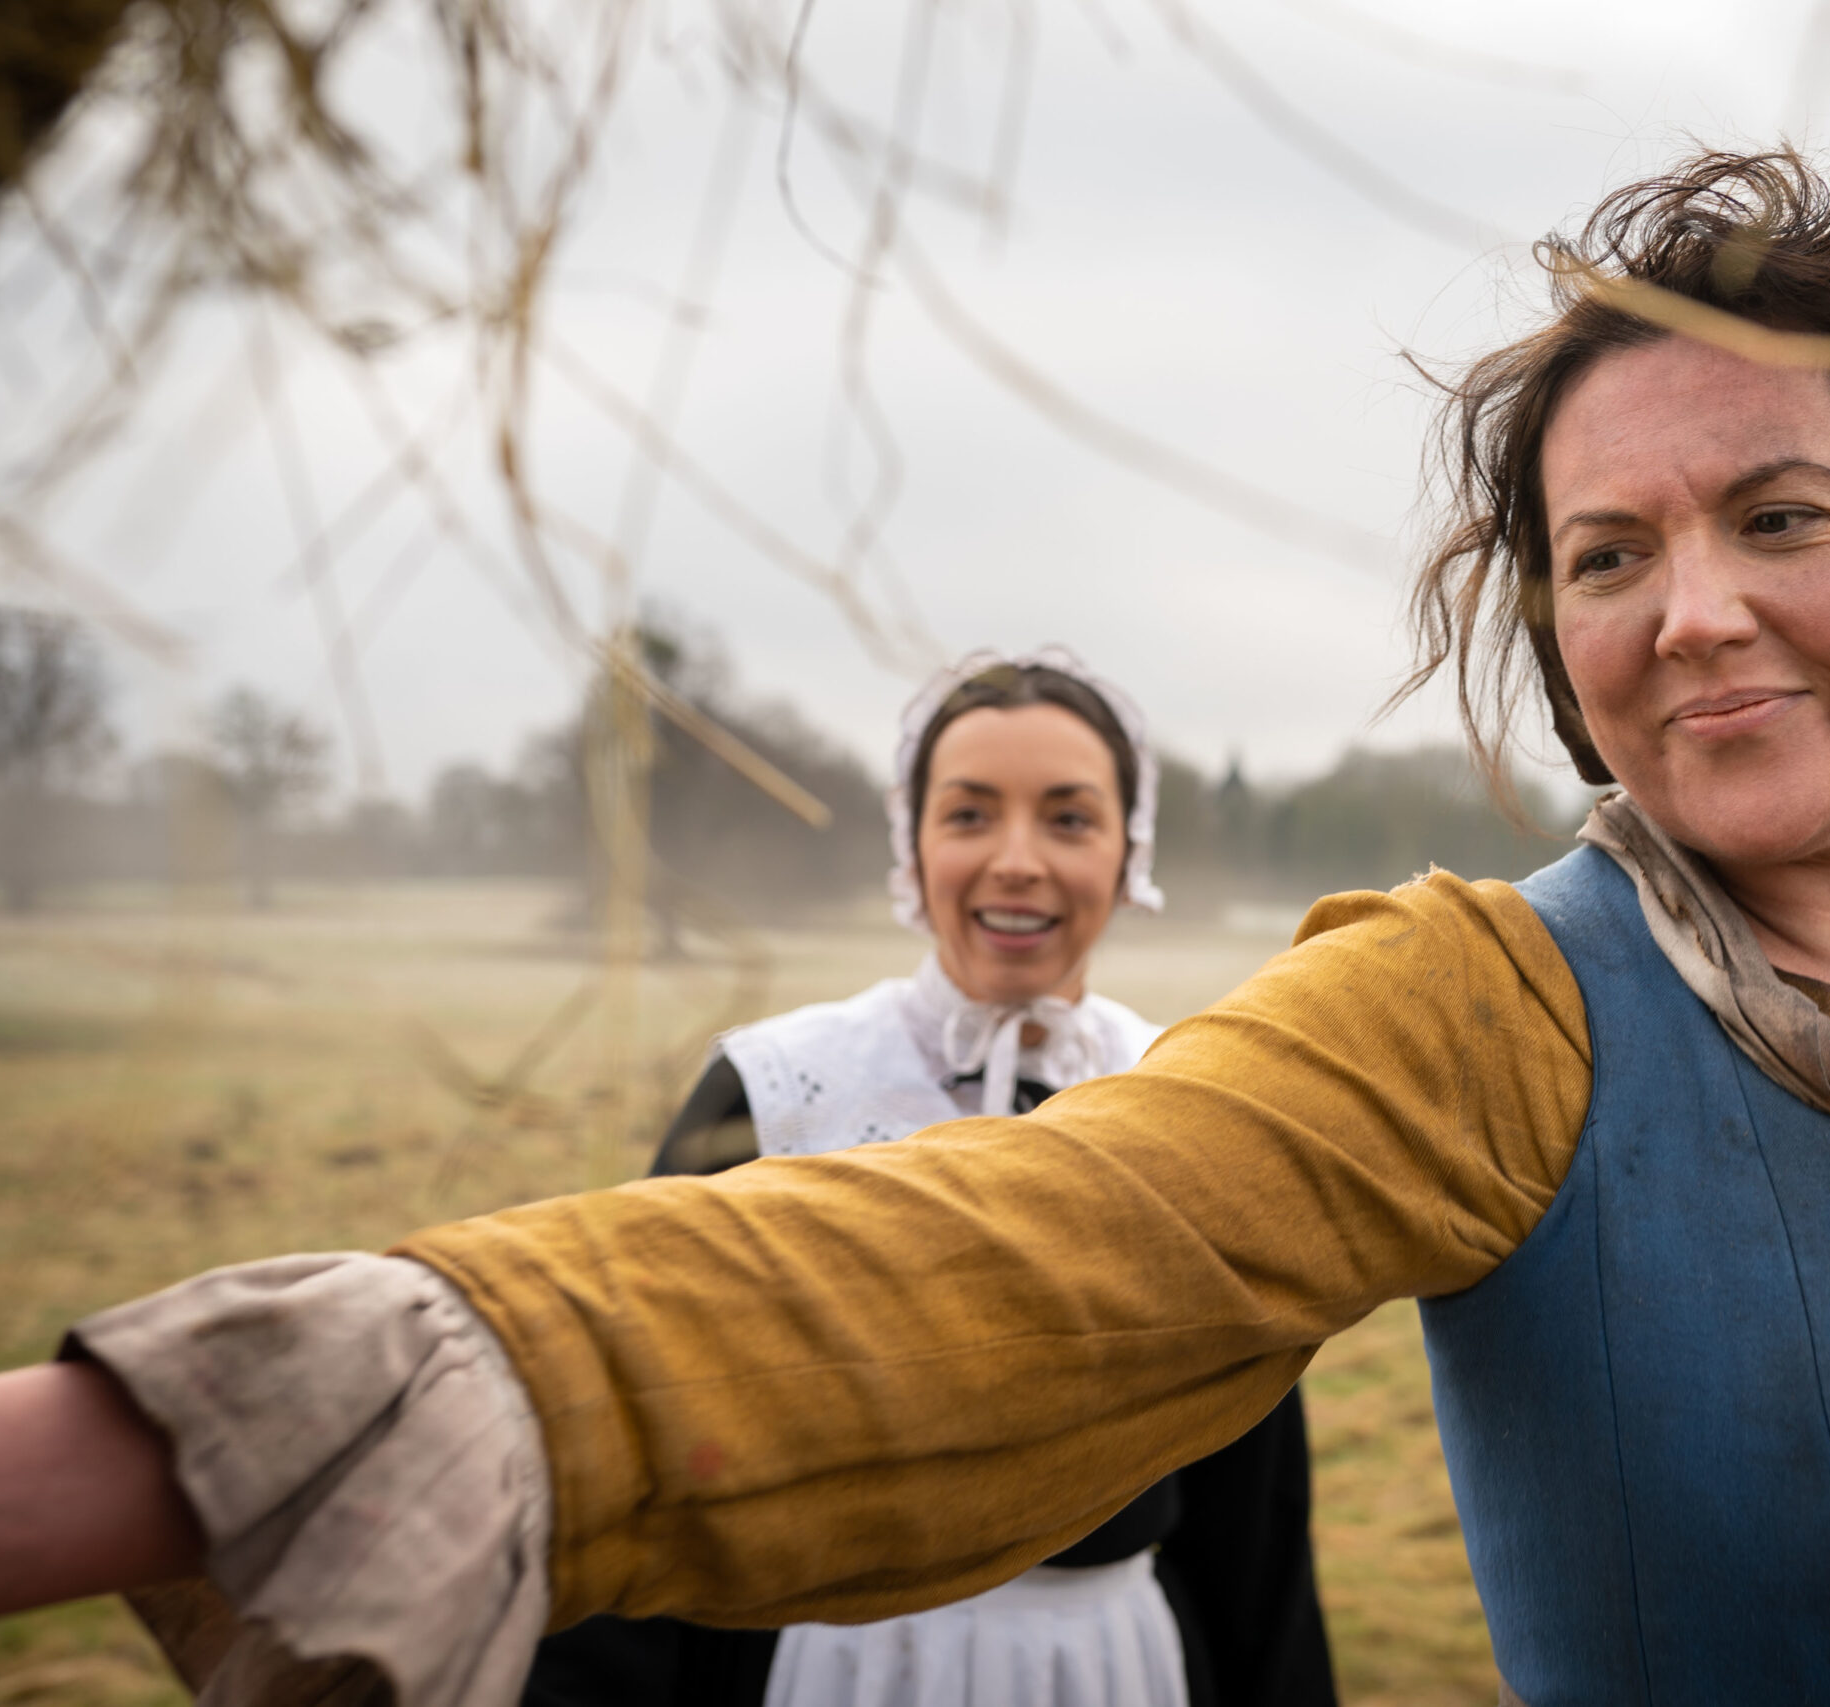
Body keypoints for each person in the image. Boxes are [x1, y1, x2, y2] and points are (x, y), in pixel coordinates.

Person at [0, 122, 1830, 1707]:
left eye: (1774, 513)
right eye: (1599, 556)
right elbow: (982, 1269)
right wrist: (195, 1423)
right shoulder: (1488, 1006)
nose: (1683, 606)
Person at [517, 650, 1336, 1707]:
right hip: (838, 1666)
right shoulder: (776, 1092)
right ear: (913, 846)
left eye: (1068, 818)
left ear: (1127, 854)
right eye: (969, 815)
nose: (1017, 860)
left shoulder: (1193, 1100)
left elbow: (1249, 1510)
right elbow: (643, 1448)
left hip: (1110, 1669)